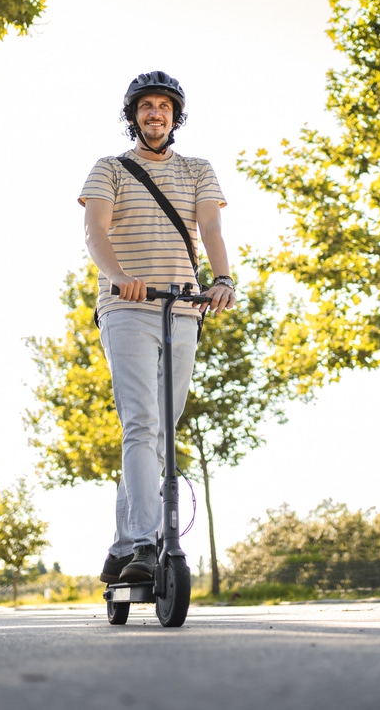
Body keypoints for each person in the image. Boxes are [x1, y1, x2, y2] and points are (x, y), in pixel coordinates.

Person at [78, 71, 236, 584]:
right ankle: (146, 543)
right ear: (133, 116)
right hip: (126, 308)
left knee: (160, 431)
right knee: (143, 423)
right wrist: (120, 277)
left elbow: (210, 226)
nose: (155, 114)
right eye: (145, 106)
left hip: (184, 307)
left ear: (175, 116)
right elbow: (94, 230)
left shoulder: (198, 170)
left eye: (164, 106)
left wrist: (222, 279)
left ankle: (124, 545)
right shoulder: (111, 169)